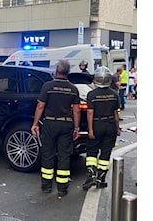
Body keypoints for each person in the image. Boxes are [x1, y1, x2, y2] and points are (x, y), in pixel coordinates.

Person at [31, 60, 81, 198]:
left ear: (57, 70)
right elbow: (77, 111)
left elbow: (40, 106)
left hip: (50, 124)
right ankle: (62, 188)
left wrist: (35, 124)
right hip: (66, 125)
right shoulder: (73, 89)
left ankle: (46, 186)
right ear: (68, 72)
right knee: (64, 155)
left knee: (48, 154)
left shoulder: (47, 86)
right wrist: (76, 128)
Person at [82, 66, 120, 190]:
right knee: (106, 153)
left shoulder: (92, 94)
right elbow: (116, 114)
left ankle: (91, 176)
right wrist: (118, 128)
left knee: (92, 152)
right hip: (110, 125)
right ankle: (101, 179)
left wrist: (90, 130)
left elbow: (90, 113)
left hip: (97, 125)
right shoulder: (114, 94)